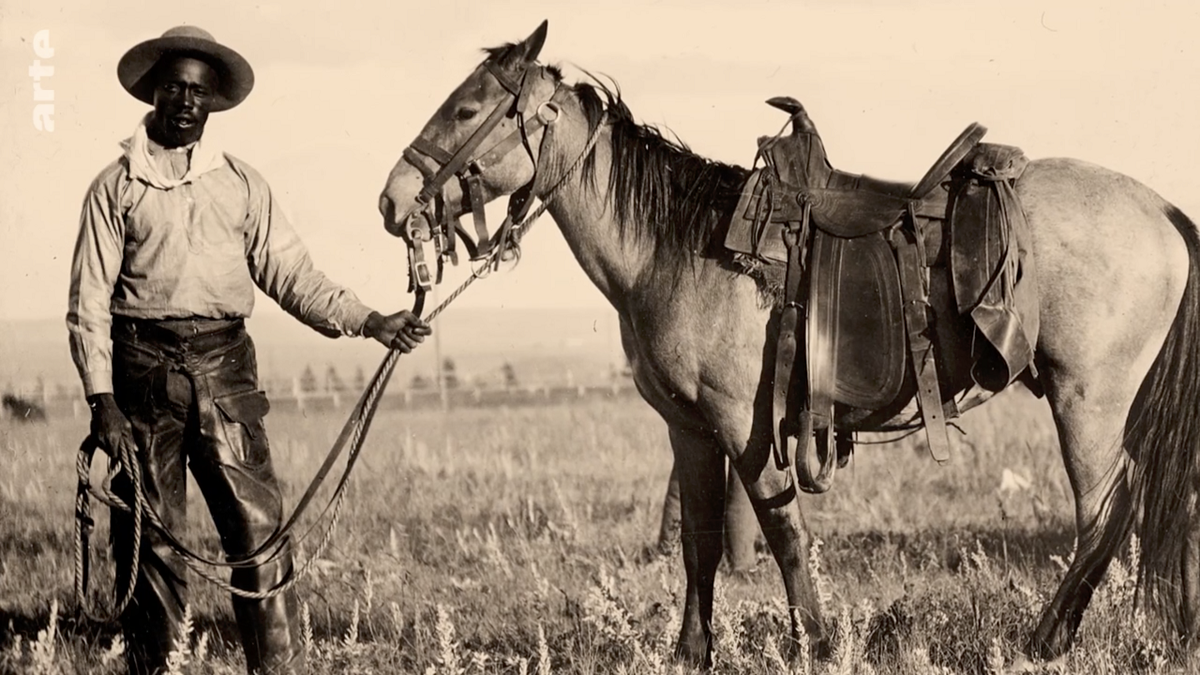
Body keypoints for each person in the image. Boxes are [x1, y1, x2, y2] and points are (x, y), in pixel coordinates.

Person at [66, 25, 429, 674]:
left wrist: (371, 318)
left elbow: (294, 276)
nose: (185, 101)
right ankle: (158, 665)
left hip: (227, 372)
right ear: (152, 92)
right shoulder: (114, 187)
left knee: (258, 529)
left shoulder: (240, 183)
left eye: (198, 91)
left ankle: (276, 667)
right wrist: (103, 402)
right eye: (174, 86)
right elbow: (88, 303)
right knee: (150, 539)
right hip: (140, 376)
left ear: (214, 103)